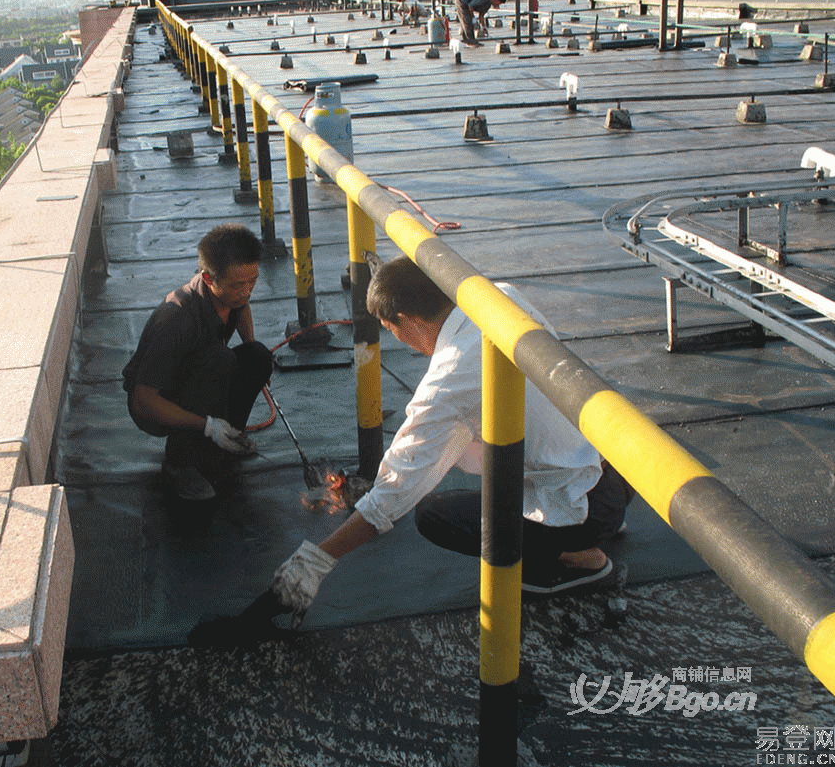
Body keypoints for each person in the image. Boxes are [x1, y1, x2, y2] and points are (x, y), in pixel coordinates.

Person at [270, 257, 633, 625]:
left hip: (581, 508)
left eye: (389, 329)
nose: (399, 340)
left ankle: (576, 558)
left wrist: (319, 559)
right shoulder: (499, 298)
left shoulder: (450, 379)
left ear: (407, 321)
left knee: (434, 515)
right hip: (614, 467)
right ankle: (598, 521)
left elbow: (393, 493)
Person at [123, 224, 273, 501]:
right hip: (157, 401)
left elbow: (241, 307)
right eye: (239, 285)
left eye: (253, 281)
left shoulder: (232, 292)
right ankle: (180, 464)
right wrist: (206, 425)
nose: (247, 291)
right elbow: (143, 400)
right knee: (220, 360)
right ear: (208, 277)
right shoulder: (176, 319)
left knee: (258, 357)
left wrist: (251, 346)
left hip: (204, 371)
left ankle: (226, 440)